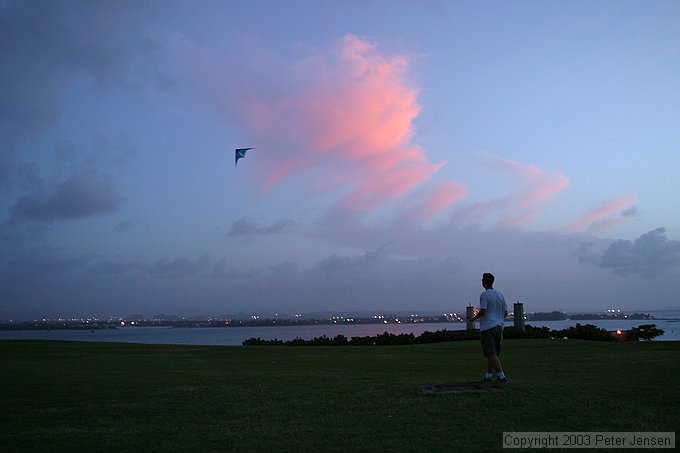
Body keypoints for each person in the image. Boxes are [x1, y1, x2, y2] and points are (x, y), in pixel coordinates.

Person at [470, 272, 508, 383]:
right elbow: (505, 312)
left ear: (484, 282)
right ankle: (488, 376)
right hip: (499, 327)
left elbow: (483, 311)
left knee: (490, 354)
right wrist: (500, 319)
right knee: (493, 353)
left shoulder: (484, 295)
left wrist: (473, 319)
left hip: (488, 327)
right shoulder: (500, 295)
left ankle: (502, 377)